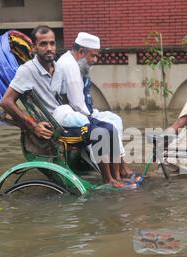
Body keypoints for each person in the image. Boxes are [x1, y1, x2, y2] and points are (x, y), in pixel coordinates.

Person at [0, 25, 131, 189]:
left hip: (67, 116)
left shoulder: (58, 66)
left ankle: (117, 176)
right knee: (101, 132)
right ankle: (108, 180)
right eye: (43, 44)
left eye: (52, 44)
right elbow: (6, 102)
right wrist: (33, 126)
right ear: (33, 47)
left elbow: (67, 98)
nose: (49, 48)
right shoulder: (27, 70)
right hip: (55, 124)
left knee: (110, 128)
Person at [57, 32, 140, 183]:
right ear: (81, 52)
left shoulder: (77, 64)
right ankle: (115, 175)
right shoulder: (69, 66)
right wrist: (94, 118)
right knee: (109, 126)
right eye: (93, 56)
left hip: (83, 111)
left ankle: (121, 167)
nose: (95, 60)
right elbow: (77, 104)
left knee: (115, 119)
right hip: (74, 115)